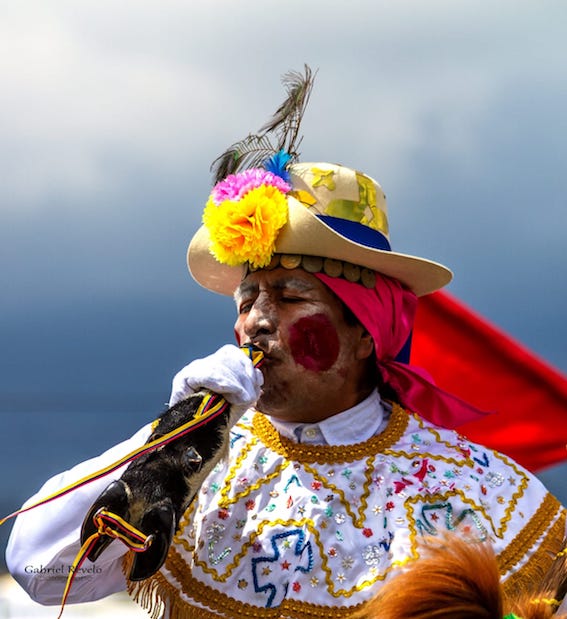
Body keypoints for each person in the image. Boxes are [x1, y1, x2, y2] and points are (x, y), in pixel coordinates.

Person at [5, 66, 567, 615]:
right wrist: (168, 439)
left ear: (367, 333)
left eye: (292, 297)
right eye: (247, 300)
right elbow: (37, 568)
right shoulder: (198, 468)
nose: (258, 320)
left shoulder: (478, 489)